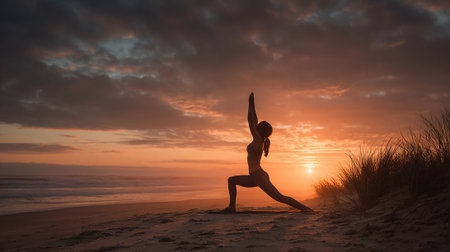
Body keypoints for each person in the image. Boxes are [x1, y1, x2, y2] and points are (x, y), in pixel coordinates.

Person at [222, 92, 314, 213]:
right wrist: (252, 104)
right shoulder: (259, 140)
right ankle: (232, 207)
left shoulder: (258, 142)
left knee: (280, 197)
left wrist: (249, 104)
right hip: (255, 176)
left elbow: (250, 121)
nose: (256, 125)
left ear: (259, 131)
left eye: (258, 126)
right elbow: (254, 120)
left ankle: (307, 209)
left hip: (258, 177)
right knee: (231, 180)